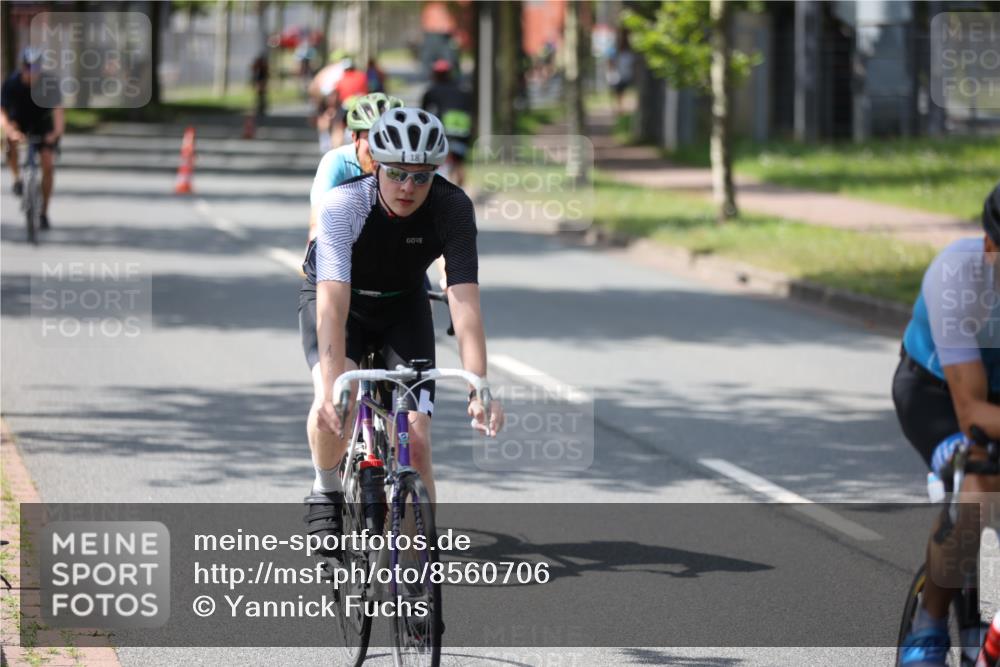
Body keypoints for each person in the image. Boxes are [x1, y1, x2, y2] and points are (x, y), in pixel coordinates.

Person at [303, 108, 504, 549]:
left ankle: (414, 566)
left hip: (403, 305)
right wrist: (333, 388)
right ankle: (326, 486)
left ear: (437, 173)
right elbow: (332, 308)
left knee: (416, 438)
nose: (408, 187)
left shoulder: (452, 207)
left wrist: (479, 387)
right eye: (396, 173)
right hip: (344, 306)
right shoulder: (344, 205)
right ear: (375, 164)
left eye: (421, 177)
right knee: (335, 407)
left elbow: (464, 302)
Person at [894, 182, 1000, 666]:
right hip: (936, 394)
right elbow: (972, 411)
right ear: (990, 246)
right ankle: (930, 621)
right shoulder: (956, 275)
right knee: (976, 480)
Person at [1, 47, 64, 230]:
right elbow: (2, 111)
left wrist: (55, 133)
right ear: (22, 67)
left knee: (48, 164)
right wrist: (9, 130)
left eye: (35, 67)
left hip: (43, 125)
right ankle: (17, 179)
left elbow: (58, 111)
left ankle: (44, 212)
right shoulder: (11, 84)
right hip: (19, 123)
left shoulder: (49, 83)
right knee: (9, 142)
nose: (31, 71)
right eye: (28, 67)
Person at [420, 59, 472, 187]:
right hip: (462, 129)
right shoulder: (462, 90)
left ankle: (446, 190)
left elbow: (423, 114)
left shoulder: (431, 91)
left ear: (435, 74)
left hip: (444, 130)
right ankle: (460, 190)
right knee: (459, 163)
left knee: (442, 161)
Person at [250, 51, 269, 117]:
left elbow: (265, 74)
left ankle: (262, 106)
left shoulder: (263, 65)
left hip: (261, 80)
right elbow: (253, 71)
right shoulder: (259, 65)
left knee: (261, 94)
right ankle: (260, 106)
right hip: (259, 80)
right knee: (260, 95)